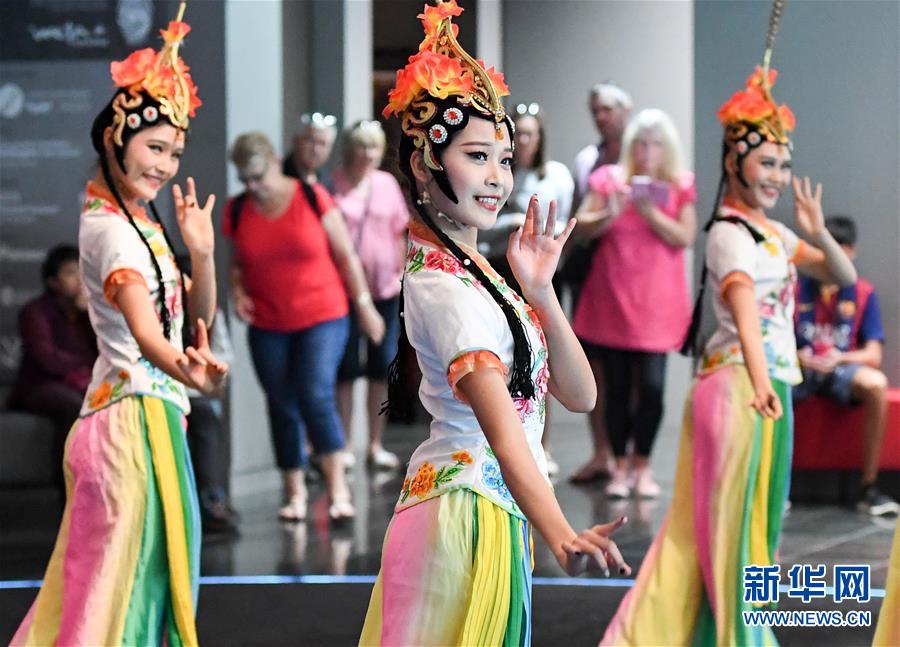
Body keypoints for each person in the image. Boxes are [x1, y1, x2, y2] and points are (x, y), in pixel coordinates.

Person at [359, 4, 630, 644]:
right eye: (477, 156)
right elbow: (506, 438)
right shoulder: (444, 288)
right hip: (459, 517)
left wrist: (541, 291)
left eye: (503, 159)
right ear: (425, 163)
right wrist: (561, 531)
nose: (497, 178)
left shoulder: (477, 268)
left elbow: (580, 393)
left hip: (487, 511)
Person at [600, 58, 857, 645]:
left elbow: (841, 276)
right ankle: (740, 635)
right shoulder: (726, 233)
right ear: (733, 163)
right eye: (766, 162)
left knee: (757, 525)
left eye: (783, 164)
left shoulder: (775, 233)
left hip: (768, 385)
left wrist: (817, 233)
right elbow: (743, 313)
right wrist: (762, 381)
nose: (776, 175)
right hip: (738, 387)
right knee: (728, 527)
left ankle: (727, 630)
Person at [12, 9, 227, 646]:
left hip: (147, 414)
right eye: (154, 147)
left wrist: (204, 253)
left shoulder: (140, 220)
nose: (164, 165)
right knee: (114, 595)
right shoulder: (112, 230)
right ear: (116, 139)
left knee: (138, 589)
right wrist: (188, 369)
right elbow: (144, 332)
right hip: (125, 427)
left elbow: (199, 318)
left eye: (174, 153)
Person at [224, 131, 385, 522]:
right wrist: (237, 291)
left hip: (323, 314)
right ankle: (293, 490)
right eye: (245, 179)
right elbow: (237, 263)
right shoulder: (237, 209)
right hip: (268, 321)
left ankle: (337, 488)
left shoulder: (312, 197)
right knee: (281, 402)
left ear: (276, 162)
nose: (253, 186)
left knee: (315, 394)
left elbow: (345, 255)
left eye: (259, 176)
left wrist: (365, 307)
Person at [572, 108, 697, 498]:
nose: (647, 150)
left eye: (655, 143)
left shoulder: (679, 185)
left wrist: (649, 214)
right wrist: (609, 215)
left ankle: (643, 463)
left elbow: (685, 236)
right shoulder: (609, 181)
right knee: (617, 388)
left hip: (657, 306)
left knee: (654, 387)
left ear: (667, 148)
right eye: (641, 143)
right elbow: (580, 227)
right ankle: (620, 466)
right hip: (613, 299)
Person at [793, 215, 899, 516]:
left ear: (850, 252)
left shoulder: (862, 292)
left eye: (839, 250)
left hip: (841, 369)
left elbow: (873, 354)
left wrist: (840, 358)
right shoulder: (797, 288)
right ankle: (776, 488)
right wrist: (798, 357)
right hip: (801, 368)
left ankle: (869, 487)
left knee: (876, 384)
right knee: (769, 382)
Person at [332, 119, 410, 471]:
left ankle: (375, 443)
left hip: (385, 287)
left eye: (373, 147)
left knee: (381, 368)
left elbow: (399, 231)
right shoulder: (334, 183)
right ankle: (345, 443)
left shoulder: (386, 183)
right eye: (361, 146)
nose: (367, 154)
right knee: (345, 369)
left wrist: (403, 271)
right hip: (344, 290)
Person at [566, 82, 632, 485]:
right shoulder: (588, 160)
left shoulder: (642, 157)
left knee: (632, 372)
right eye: (595, 110)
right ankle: (602, 452)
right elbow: (581, 216)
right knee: (594, 366)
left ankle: (627, 456)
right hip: (592, 272)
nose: (600, 117)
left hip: (632, 275)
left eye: (607, 109)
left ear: (624, 110)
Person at [7, 244, 98, 469]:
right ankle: (68, 481)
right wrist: (84, 365)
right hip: (40, 386)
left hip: (83, 383)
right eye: (70, 272)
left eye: (81, 271)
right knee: (74, 406)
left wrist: (89, 316)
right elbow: (47, 358)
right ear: (53, 282)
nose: (79, 279)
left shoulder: (90, 311)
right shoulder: (35, 312)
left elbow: (104, 351)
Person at [283, 111, 338, 186]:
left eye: (322, 144)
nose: (316, 150)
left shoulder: (327, 182)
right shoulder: (280, 175)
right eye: (311, 141)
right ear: (296, 141)